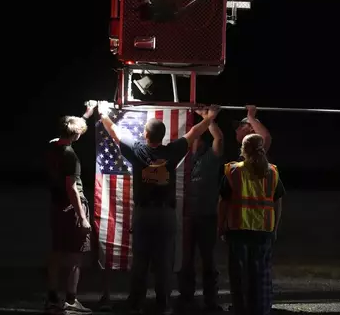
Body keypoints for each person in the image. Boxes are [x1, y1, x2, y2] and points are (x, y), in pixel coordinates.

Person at [98, 102, 220, 315]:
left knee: (141, 260)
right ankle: (163, 304)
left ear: (145, 134)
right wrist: (210, 118)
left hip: (144, 214)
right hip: (166, 214)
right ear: (162, 136)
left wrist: (103, 114)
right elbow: (193, 133)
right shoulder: (172, 151)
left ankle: (135, 303)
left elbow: (115, 132)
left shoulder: (137, 150)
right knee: (164, 261)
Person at [218, 134, 285, 315]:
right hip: (264, 231)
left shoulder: (234, 171)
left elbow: (224, 202)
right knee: (261, 275)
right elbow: (277, 201)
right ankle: (261, 309)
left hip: (238, 230)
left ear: (243, 150)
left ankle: (241, 309)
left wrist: (220, 226)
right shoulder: (272, 172)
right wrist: (275, 228)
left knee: (239, 276)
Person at [45, 107, 97, 315]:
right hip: (71, 208)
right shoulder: (71, 157)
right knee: (76, 256)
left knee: (57, 253)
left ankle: (52, 299)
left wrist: (85, 114)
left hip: (56, 206)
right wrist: (83, 218)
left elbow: (68, 134)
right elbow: (72, 187)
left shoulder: (52, 147)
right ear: (76, 134)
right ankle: (71, 300)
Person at [178, 109, 224, 313]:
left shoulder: (211, 159)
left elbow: (219, 137)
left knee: (208, 260)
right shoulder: (184, 161)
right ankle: (186, 297)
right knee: (186, 260)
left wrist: (208, 118)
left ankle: (210, 300)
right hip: (187, 217)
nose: (195, 140)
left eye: (198, 137)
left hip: (206, 217)